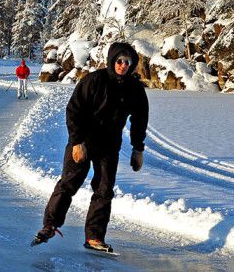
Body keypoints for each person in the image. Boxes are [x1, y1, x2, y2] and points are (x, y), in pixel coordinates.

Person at [32, 42, 149, 252]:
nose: (123, 65)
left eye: (127, 62)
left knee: (104, 190)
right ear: (112, 61)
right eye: (119, 61)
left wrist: (137, 148)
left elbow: (140, 119)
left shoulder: (134, 89)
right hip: (83, 141)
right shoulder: (94, 80)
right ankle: (50, 225)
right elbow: (74, 110)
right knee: (69, 183)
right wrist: (77, 142)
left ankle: (94, 237)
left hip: (109, 145)